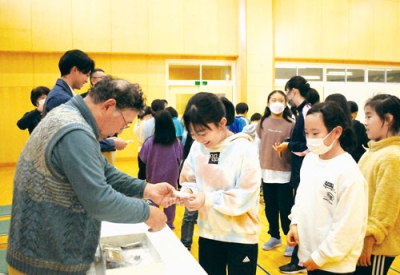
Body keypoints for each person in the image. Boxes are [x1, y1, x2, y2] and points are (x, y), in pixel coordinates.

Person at [6, 76, 176, 275]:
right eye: (124, 124)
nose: (120, 131)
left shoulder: (68, 115)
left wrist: (146, 188)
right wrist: (147, 212)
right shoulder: (75, 131)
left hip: (44, 254)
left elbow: (104, 169)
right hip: (44, 263)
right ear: (108, 106)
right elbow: (99, 200)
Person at [178, 92, 261, 275]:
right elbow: (188, 179)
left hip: (241, 237)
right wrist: (188, 193)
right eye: (193, 134)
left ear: (222, 123)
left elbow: (246, 195)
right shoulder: (197, 147)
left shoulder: (243, 148)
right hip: (208, 233)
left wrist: (206, 198)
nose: (199, 139)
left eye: (202, 132)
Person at [287, 101, 368, 274]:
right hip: (309, 255)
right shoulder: (310, 160)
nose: (310, 139)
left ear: (337, 132)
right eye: (307, 133)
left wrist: (321, 256)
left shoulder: (348, 171)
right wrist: (295, 222)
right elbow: (301, 197)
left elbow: (348, 225)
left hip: (334, 263)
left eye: (315, 133)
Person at [275, 76, 320, 274]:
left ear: (293, 90)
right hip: (300, 167)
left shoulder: (307, 110)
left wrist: (290, 145)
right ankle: (299, 258)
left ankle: (300, 260)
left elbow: (308, 145)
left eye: (286, 92)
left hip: (305, 167)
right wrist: (289, 142)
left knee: (303, 210)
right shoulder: (301, 111)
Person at [355, 94, 400, 275]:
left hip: (377, 246)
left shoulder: (392, 157)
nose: (364, 122)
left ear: (388, 119)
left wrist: (369, 239)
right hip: (362, 239)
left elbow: (385, 206)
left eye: (368, 116)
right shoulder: (373, 151)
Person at [256, 90, 295, 257]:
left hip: (284, 172)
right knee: (270, 207)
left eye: (281, 100)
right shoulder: (262, 122)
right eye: (274, 100)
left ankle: (290, 240)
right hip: (266, 171)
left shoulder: (291, 124)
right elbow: (257, 148)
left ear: (285, 103)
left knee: (286, 208)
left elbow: (294, 147)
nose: (277, 103)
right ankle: (274, 236)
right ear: (268, 103)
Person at [139, 110, 183, 229]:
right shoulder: (176, 142)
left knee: (153, 197)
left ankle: (152, 221)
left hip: (154, 174)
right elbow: (180, 157)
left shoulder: (150, 142)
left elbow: (143, 158)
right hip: (171, 175)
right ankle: (169, 224)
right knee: (170, 198)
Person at [82, 68, 130, 164]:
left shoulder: (111, 99)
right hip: (91, 147)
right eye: (103, 78)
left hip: (110, 146)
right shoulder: (83, 100)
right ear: (93, 80)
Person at [43, 49, 95, 116]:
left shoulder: (60, 94)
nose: (86, 80)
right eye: (87, 75)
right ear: (75, 70)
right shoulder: (62, 99)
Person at [134, 105, 153, 180]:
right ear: (149, 115)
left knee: (141, 172)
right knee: (149, 173)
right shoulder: (147, 124)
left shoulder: (137, 123)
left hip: (140, 150)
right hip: (148, 151)